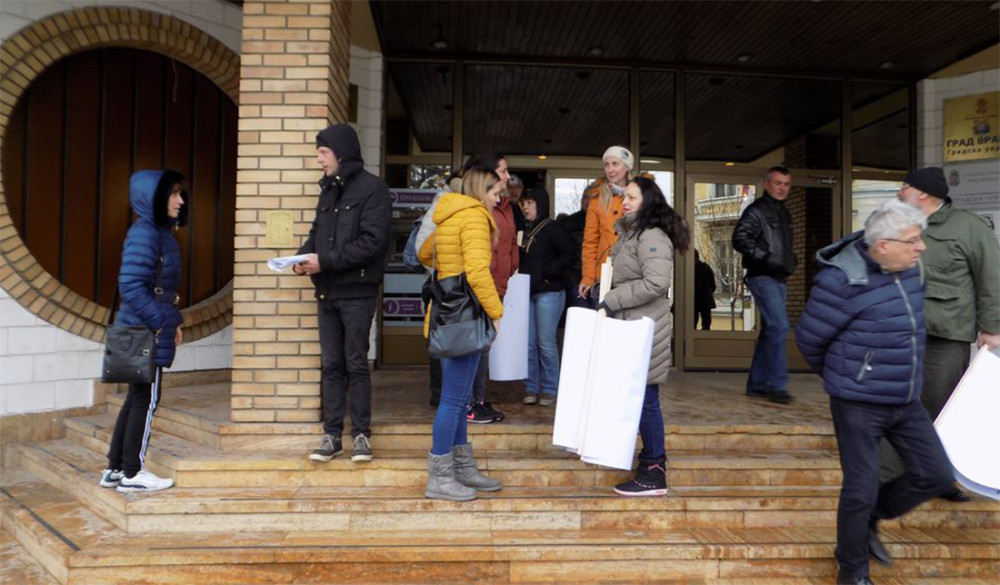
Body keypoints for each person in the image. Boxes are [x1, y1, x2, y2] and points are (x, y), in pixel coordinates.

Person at [796, 200, 955, 585]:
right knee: (860, 487)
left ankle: (868, 519)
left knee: (936, 474)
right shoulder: (841, 281)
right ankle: (852, 571)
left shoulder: (912, 270)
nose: (921, 248)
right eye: (913, 241)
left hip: (905, 399)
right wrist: (850, 378)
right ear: (883, 245)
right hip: (859, 404)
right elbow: (809, 340)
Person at [892, 166, 1000, 502]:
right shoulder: (899, 223)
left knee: (940, 405)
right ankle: (902, 472)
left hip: (946, 335)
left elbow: (991, 278)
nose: (899, 192)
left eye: (904, 186)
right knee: (898, 403)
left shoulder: (969, 227)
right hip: (900, 332)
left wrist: (992, 328)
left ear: (922, 193)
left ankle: (943, 479)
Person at [296, 124, 392, 464]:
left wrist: (324, 261)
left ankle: (361, 435)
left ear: (340, 152)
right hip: (327, 293)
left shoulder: (373, 190)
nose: (320, 160)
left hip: (357, 294)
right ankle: (331, 435)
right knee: (331, 365)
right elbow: (316, 233)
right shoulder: (329, 191)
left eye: (323, 153)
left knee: (355, 364)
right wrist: (302, 258)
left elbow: (371, 243)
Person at [417, 168, 505, 501]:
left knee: (457, 399)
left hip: (446, 318)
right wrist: (496, 313)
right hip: (464, 318)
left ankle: (461, 469)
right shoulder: (474, 219)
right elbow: (479, 272)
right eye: (496, 192)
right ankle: (440, 477)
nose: (499, 198)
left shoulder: (449, 216)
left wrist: (447, 265)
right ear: (482, 190)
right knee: (454, 401)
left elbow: (424, 252)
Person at [599, 177, 691, 497]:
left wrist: (612, 300)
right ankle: (647, 462)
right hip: (631, 327)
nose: (625, 202)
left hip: (644, 328)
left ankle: (654, 469)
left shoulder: (651, 235)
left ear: (648, 201)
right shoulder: (631, 233)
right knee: (638, 398)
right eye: (625, 197)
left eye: (632, 198)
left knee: (646, 400)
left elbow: (655, 283)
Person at [101, 169, 187, 493]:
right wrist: (162, 322)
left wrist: (173, 319)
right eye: (173, 194)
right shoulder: (147, 233)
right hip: (145, 331)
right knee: (146, 400)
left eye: (180, 194)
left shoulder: (156, 232)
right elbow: (132, 285)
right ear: (154, 198)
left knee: (136, 399)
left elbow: (160, 288)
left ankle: (115, 468)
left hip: (145, 325)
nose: (180, 200)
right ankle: (133, 472)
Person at [732, 166, 796, 404]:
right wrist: (766, 258)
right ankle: (776, 385)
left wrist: (790, 260)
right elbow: (739, 238)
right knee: (779, 326)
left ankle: (757, 385)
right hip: (762, 275)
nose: (782, 188)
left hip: (778, 277)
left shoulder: (784, 212)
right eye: (778, 183)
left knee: (772, 329)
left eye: (786, 184)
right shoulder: (757, 210)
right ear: (768, 184)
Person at [464, 153, 515, 425]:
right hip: (480, 287)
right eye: (502, 171)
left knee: (484, 347)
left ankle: (477, 400)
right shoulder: (476, 210)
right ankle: (470, 403)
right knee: (478, 346)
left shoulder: (503, 205)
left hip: (497, 285)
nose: (507, 177)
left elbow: (507, 245)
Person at [518, 188, 575, 406]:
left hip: (549, 293)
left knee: (545, 344)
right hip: (530, 293)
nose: (525, 207)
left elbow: (570, 254)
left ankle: (550, 388)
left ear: (540, 204)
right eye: (524, 203)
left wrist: (547, 272)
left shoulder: (553, 228)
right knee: (529, 345)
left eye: (530, 203)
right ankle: (531, 387)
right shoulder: (526, 230)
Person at [579, 146, 634, 307]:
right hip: (605, 275)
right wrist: (588, 277)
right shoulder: (597, 199)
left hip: (633, 273)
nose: (610, 169)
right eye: (607, 165)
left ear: (626, 167)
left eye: (615, 164)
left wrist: (625, 193)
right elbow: (590, 241)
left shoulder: (642, 194)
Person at [559, 191, 595, 312]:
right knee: (581, 314)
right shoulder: (568, 223)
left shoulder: (606, 222)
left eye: (591, 198)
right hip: (574, 277)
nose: (587, 201)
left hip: (598, 277)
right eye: (585, 197)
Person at [693, 250, 717, 330]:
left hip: (693, 301)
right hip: (705, 300)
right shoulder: (706, 268)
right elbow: (713, 286)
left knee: (691, 325)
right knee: (706, 324)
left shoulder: (689, 270)